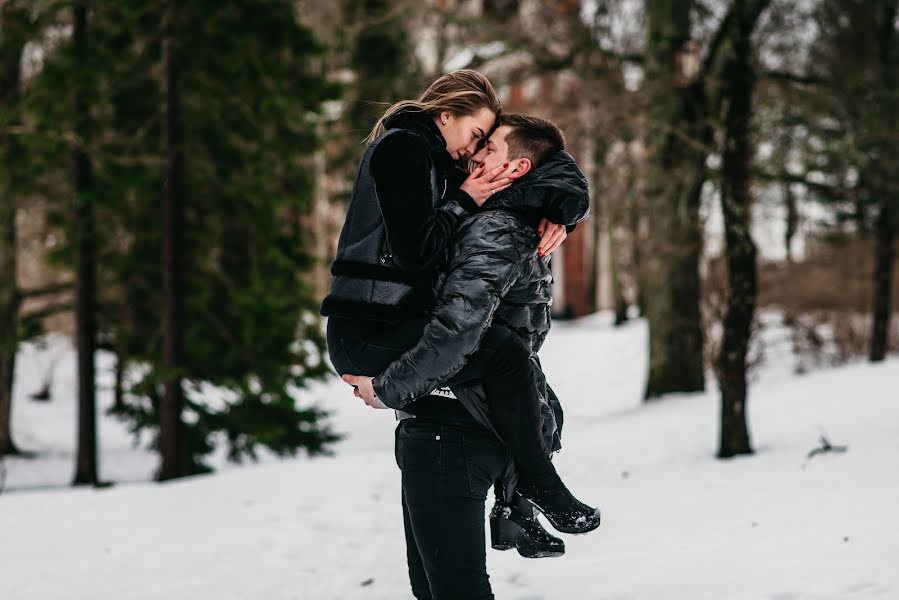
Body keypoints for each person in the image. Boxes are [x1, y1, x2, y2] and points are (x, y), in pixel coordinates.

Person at [345, 113, 602, 599]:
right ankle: (525, 498)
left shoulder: (495, 228)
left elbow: (456, 330)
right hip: (461, 420)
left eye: (490, 148)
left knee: (454, 591)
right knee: (436, 589)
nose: (475, 154)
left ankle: (533, 488)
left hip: (452, 429)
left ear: (517, 167)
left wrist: (384, 388)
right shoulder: (499, 215)